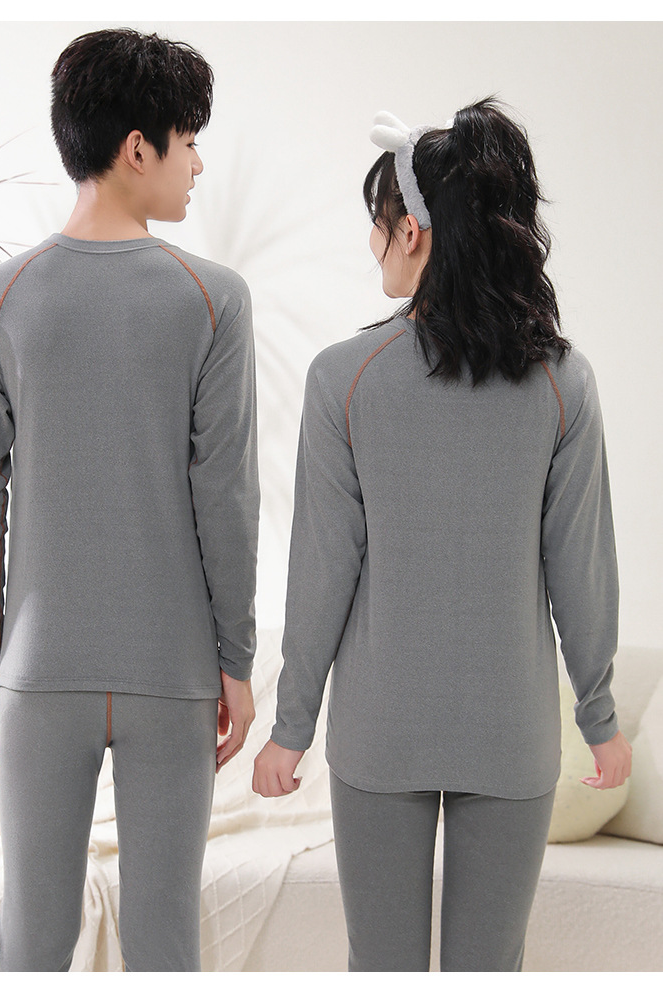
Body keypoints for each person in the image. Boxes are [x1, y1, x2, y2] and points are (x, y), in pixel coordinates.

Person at [252, 97, 631, 972]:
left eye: (379, 222)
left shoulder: (343, 378)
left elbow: (322, 572)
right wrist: (600, 718)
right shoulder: (563, 381)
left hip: (379, 735)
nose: (373, 242)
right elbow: (581, 569)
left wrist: (291, 727)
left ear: (414, 231)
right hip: (512, 735)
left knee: (379, 963)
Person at [0, 28, 259, 972]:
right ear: (137, 148)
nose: (197, 164)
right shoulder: (213, 298)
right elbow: (226, 496)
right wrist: (236, 661)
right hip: (175, 670)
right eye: (188, 140)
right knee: (165, 944)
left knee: (32, 941)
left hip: (41, 668)